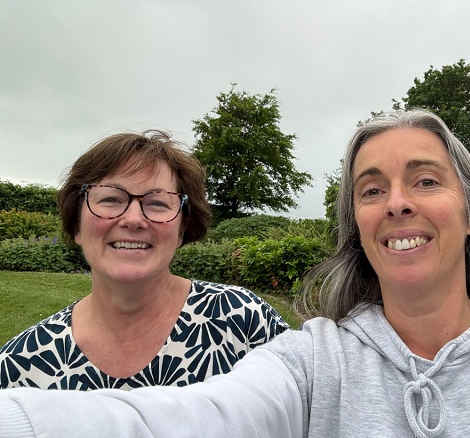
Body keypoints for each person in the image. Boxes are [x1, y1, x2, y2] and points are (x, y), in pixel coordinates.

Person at [1, 110, 470, 438]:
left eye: (425, 180)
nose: (397, 203)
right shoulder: (312, 363)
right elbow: (199, 418)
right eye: (372, 189)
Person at [0, 130, 289, 390]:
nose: (134, 219)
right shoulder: (20, 367)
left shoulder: (245, 323)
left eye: (157, 203)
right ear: (76, 225)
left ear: (181, 230)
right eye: (111, 199)